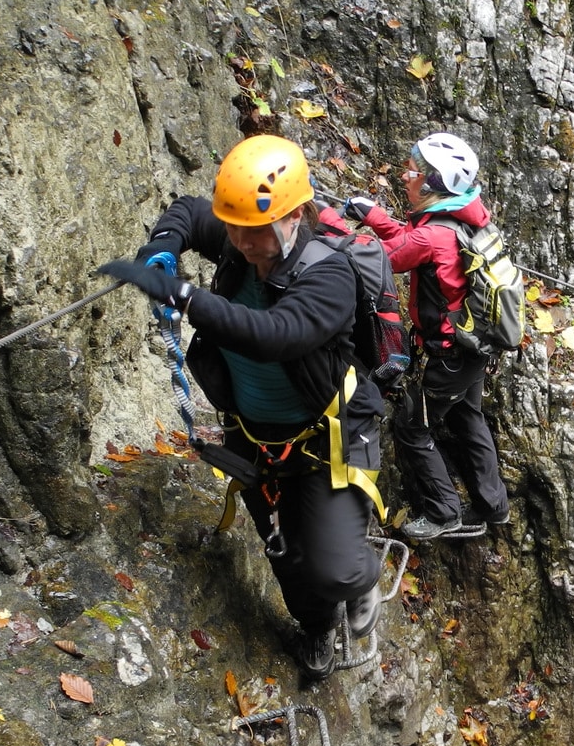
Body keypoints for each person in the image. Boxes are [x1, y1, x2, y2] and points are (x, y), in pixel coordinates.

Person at [98, 134, 385, 680]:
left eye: (252, 231)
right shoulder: (242, 235)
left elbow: (273, 335)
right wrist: (162, 246)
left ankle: (358, 582)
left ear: (295, 216)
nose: (238, 241)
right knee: (283, 553)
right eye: (233, 228)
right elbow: (186, 212)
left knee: (337, 569)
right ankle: (318, 629)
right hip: (252, 437)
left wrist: (183, 295)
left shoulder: (330, 274)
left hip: (325, 443)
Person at [321, 132, 510, 540]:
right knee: (467, 416)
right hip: (473, 349)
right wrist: (373, 215)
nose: (406, 176)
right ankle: (494, 507)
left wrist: (331, 223)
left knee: (412, 428)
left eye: (414, 171)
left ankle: (445, 513)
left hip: (448, 356)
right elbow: (412, 241)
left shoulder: (433, 234)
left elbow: (375, 260)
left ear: (432, 184)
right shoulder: (464, 219)